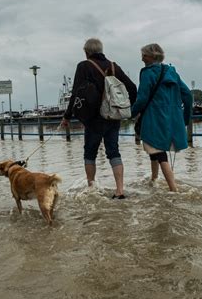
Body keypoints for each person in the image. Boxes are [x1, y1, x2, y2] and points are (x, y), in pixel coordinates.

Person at [61, 38, 137, 199]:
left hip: (93, 118)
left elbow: (75, 93)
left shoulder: (84, 66)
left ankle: (91, 188)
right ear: (101, 50)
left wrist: (67, 116)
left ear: (86, 52)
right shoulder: (114, 66)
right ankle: (120, 190)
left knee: (90, 153)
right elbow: (132, 88)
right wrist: (129, 108)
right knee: (114, 151)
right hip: (112, 116)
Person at [131, 43, 192, 192]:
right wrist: (184, 118)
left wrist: (130, 114)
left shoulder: (147, 73)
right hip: (173, 120)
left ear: (152, 56)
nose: (141, 58)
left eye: (144, 55)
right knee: (153, 149)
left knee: (158, 151)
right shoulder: (172, 72)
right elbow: (188, 96)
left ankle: (173, 189)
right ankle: (154, 180)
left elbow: (142, 99)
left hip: (154, 119)